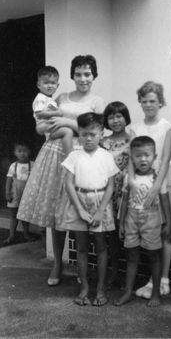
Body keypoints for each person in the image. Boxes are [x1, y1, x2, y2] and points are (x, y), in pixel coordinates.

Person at [17, 55, 105, 286]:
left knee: (76, 209)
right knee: (56, 211)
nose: (82, 78)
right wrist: (44, 127)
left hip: (81, 156)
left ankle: (81, 267)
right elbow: (41, 125)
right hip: (55, 153)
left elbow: (96, 130)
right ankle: (58, 263)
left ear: (93, 75)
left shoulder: (96, 101)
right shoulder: (61, 97)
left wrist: (67, 123)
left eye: (87, 74)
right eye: (78, 74)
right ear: (72, 75)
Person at [62, 112, 119, 306]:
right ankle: (84, 287)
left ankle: (101, 288)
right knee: (82, 247)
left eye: (92, 134)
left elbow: (111, 185)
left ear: (101, 134)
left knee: (102, 247)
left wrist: (101, 210)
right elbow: (68, 183)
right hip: (79, 201)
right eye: (84, 133)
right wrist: (79, 209)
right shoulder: (74, 155)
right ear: (79, 134)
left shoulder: (106, 156)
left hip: (100, 202)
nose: (88, 138)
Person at [131, 81, 171, 299]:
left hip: (162, 182)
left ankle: (163, 279)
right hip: (140, 183)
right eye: (144, 101)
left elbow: (165, 159)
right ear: (140, 102)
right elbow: (132, 158)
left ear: (160, 102)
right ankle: (152, 279)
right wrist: (132, 182)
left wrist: (157, 187)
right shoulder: (135, 129)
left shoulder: (168, 126)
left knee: (164, 227)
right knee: (148, 230)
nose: (148, 105)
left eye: (153, 101)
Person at [114, 136, 165, 307]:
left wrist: (169, 223)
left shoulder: (157, 178)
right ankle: (128, 292)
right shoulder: (131, 178)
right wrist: (121, 223)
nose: (143, 159)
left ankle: (156, 293)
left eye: (147, 155)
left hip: (151, 219)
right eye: (138, 156)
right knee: (132, 256)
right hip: (131, 219)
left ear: (154, 157)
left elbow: (164, 201)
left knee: (154, 256)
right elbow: (124, 201)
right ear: (133, 158)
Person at [101, 101, 131, 288]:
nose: (115, 120)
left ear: (125, 117)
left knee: (127, 233)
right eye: (111, 116)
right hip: (109, 191)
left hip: (126, 193)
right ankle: (114, 273)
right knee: (111, 235)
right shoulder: (103, 142)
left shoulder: (132, 138)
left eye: (119, 116)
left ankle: (129, 275)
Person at [32, 66, 73, 155]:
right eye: (46, 83)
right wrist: (57, 112)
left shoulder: (50, 100)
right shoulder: (41, 98)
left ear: (57, 85)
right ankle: (69, 156)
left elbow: (55, 112)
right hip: (43, 125)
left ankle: (65, 152)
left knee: (68, 129)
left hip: (49, 126)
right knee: (68, 131)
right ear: (38, 85)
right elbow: (39, 113)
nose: (50, 86)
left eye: (53, 83)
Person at [4, 141, 34, 245]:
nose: (22, 153)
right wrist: (7, 193)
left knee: (25, 215)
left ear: (29, 151)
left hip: (27, 194)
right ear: (15, 153)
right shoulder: (13, 165)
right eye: (19, 151)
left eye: (24, 151)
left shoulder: (32, 165)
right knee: (13, 215)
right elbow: (9, 180)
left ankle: (26, 234)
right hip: (15, 193)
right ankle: (11, 235)